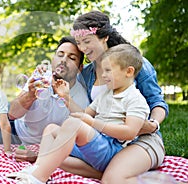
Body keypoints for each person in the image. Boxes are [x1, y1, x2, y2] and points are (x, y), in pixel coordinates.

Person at [6, 44, 149, 183]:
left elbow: (130, 132)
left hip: (111, 150)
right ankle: (38, 169)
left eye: (108, 70)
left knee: (73, 125)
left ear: (129, 72)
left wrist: (92, 123)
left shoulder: (135, 99)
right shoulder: (106, 94)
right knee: (51, 129)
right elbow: (84, 114)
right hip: (96, 146)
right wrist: (66, 97)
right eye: (102, 71)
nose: (103, 75)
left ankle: (38, 179)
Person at [58, 11, 168, 183]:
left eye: (87, 41)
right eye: (80, 43)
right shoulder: (87, 74)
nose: (83, 48)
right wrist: (66, 98)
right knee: (57, 155)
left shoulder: (133, 63)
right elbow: (88, 114)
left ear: (105, 37)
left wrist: (152, 125)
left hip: (140, 138)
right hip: (107, 140)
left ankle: (117, 174)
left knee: (112, 179)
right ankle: (119, 174)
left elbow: (157, 102)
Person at [8, 36, 89, 162]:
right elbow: (12, 114)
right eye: (60, 55)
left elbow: (73, 142)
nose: (63, 60)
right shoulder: (39, 79)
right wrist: (30, 95)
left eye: (72, 58)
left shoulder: (81, 100)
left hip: (45, 145)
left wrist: (38, 155)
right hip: (15, 132)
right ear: (53, 59)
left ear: (80, 68)